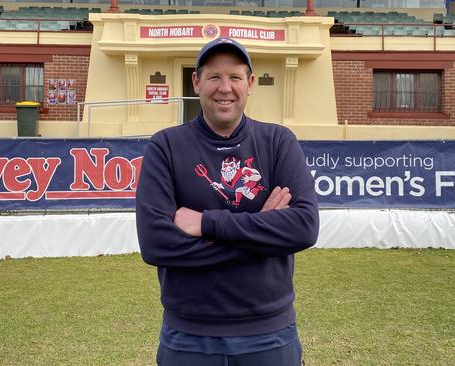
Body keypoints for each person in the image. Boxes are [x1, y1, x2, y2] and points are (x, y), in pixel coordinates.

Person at [135, 37, 320, 366]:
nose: (225, 88)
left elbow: (304, 228)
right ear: (196, 82)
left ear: (249, 84)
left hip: (269, 334)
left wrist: (206, 224)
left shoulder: (278, 142)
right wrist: (263, 232)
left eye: (234, 77)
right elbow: (157, 245)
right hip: (188, 336)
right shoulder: (165, 147)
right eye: (214, 77)